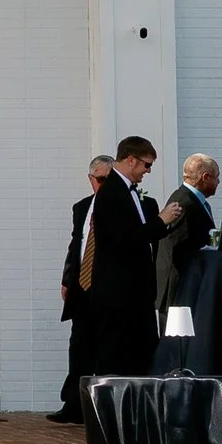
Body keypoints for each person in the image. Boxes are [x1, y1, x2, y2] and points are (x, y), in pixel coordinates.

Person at [76, 134, 163, 382]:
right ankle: (111, 413)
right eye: (146, 164)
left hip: (132, 293)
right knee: (116, 357)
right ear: (131, 160)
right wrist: (161, 221)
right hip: (119, 294)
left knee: (139, 355)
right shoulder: (111, 193)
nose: (148, 171)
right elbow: (125, 240)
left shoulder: (128, 192)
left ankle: (133, 410)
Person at [52, 154, 113, 419]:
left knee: (107, 346)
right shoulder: (82, 207)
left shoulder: (123, 207)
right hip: (82, 287)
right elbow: (76, 245)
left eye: (110, 179)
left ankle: (103, 406)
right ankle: (73, 405)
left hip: (108, 288)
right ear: (91, 180)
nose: (105, 184)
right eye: (101, 179)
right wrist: (68, 279)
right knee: (79, 346)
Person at [156, 153, 220, 331]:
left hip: (183, 286)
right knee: (177, 341)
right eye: (217, 177)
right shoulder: (185, 202)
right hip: (178, 290)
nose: (219, 182)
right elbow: (176, 246)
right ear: (205, 177)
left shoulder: (189, 200)